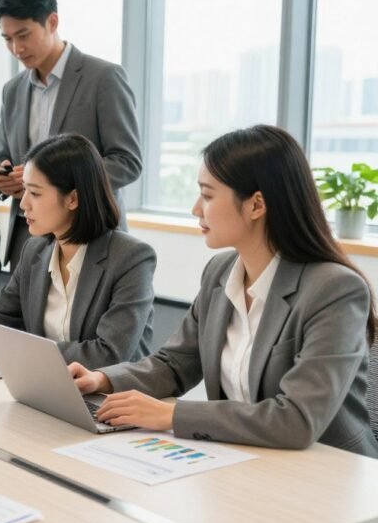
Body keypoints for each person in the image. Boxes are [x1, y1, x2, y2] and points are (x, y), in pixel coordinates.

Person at [69, 125, 378, 457]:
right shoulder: (220, 272)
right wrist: (103, 380)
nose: (195, 209)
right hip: (248, 458)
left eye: (207, 194)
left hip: (332, 474)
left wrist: (171, 415)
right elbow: (175, 363)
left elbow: (298, 419)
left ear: (256, 205)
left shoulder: (335, 289)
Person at [0, 134, 155, 366]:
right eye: (24, 191)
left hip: (110, 396)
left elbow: (109, 352)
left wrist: (24, 352)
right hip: (47, 386)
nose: (23, 205)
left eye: (34, 193)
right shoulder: (35, 250)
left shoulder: (131, 258)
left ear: (73, 199)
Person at [0, 0, 142, 270]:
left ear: (52, 22)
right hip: (28, 237)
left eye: (23, 35)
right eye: (8, 39)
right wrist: (1, 179)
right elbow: (4, 154)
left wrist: (57, 184)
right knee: (25, 316)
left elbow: (127, 162)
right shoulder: (12, 90)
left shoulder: (103, 78)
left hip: (90, 233)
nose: (17, 48)